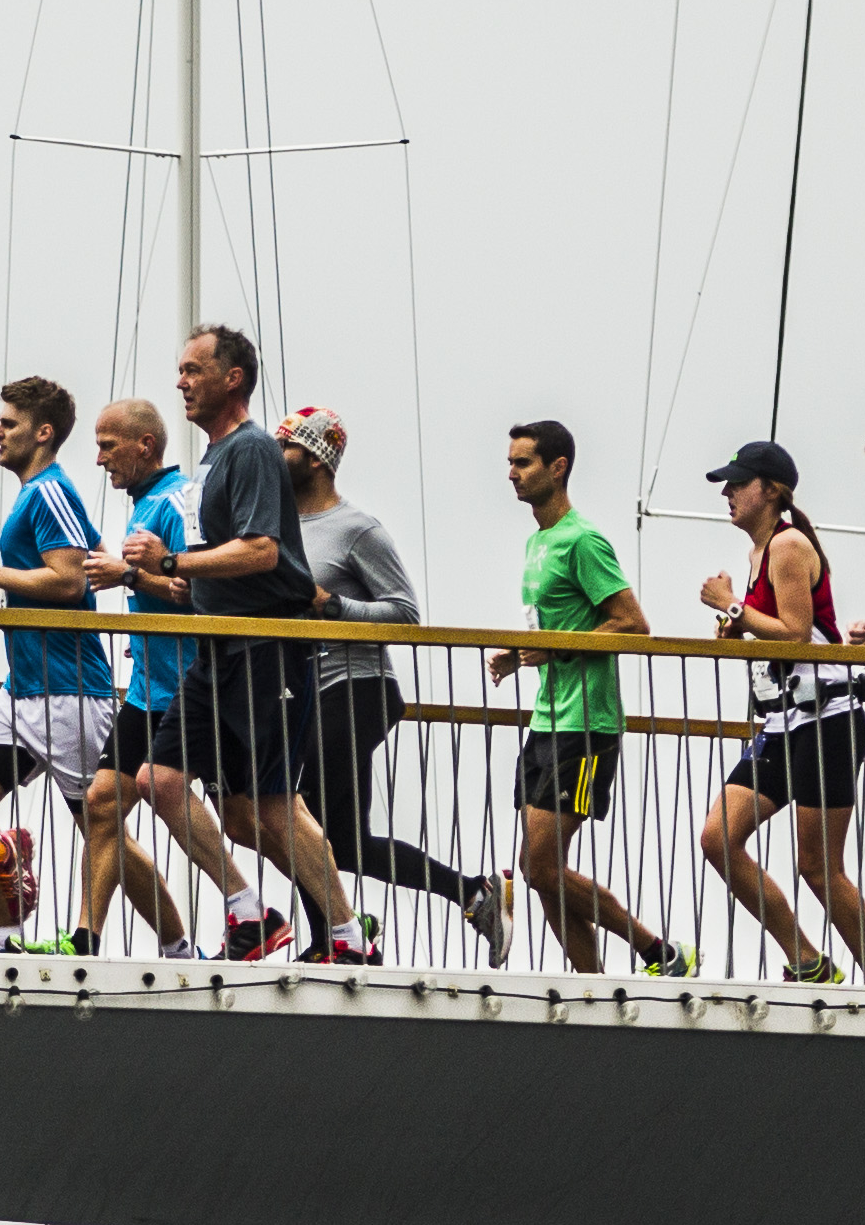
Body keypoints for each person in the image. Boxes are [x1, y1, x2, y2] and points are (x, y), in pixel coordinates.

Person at [123, 326, 366, 961]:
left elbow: (261, 551)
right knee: (162, 780)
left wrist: (174, 561)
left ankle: (346, 936)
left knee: (272, 806)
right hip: (216, 648)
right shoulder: (212, 463)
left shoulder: (253, 449)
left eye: (193, 369)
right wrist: (148, 578)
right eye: (178, 371)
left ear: (233, 378)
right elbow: (213, 571)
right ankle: (248, 909)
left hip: (265, 650)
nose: (180, 382)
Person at [287, 403, 498, 959]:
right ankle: (471, 893)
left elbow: (405, 614)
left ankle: (333, 938)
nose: (273, 456)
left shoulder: (357, 529)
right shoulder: (280, 528)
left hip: (358, 686)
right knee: (346, 844)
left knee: (297, 812)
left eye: (284, 446)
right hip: (311, 690)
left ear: (313, 458)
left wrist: (334, 607)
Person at [0, 375, 141, 952]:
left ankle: (180, 942)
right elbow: (86, 558)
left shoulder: (49, 491)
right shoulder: (38, 495)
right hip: (21, 688)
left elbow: (69, 578)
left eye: (8, 424)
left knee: (104, 836)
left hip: (70, 691)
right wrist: (10, 583)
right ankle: (7, 934)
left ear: (42, 432)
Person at [489, 419, 681, 977]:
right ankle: (591, 984)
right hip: (546, 721)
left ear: (558, 468)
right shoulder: (536, 542)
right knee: (540, 871)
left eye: (523, 463)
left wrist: (555, 652)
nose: (512, 473)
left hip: (587, 723)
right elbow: (553, 631)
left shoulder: (583, 539)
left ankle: (655, 950)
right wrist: (518, 653)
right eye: (510, 462)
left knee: (541, 868)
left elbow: (632, 624)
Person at [694, 437, 865, 981]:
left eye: (737, 483)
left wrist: (732, 606)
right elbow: (771, 634)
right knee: (718, 839)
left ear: (771, 491)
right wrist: (735, 623)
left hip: (828, 717)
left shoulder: (788, 545)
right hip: (785, 721)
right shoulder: (757, 555)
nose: (728, 492)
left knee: (819, 868)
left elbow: (798, 636)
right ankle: (805, 958)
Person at [79, 394, 241, 956]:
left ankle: (263, 913)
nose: (99, 460)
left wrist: (128, 578)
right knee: (101, 802)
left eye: (107, 445)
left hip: (187, 689)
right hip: (148, 691)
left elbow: (200, 594)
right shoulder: (146, 503)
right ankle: (89, 940)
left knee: (250, 821)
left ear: (144, 444)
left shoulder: (177, 503)